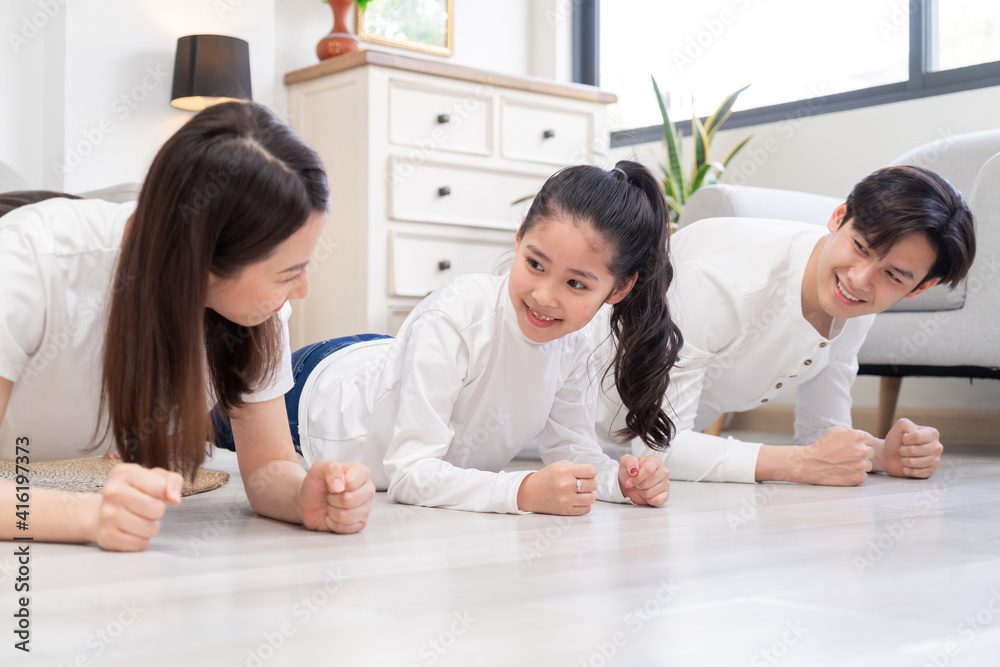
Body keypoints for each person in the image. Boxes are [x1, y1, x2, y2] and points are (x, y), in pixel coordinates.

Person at [0, 101, 375, 551]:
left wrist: (303, 495)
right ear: (203, 263)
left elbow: (266, 466)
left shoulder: (254, 314)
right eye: (288, 273)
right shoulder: (29, 264)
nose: (302, 290)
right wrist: (87, 515)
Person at [218, 161, 681, 514]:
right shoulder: (458, 314)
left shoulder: (575, 342)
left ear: (618, 289)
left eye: (576, 284)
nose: (545, 295)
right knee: (207, 415)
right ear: (519, 238)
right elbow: (410, 475)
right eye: (535, 264)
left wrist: (618, 483)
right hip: (315, 396)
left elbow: (572, 452)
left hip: (385, 360)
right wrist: (520, 491)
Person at [594, 165, 976, 486]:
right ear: (839, 217)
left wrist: (879, 454)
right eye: (860, 246)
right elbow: (661, 449)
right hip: (553, 432)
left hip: (615, 461)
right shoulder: (723, 281)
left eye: (893, 275)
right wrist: (801, 464)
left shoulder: (854, 304)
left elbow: (821, 433)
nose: (860, 279)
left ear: (919, 287)